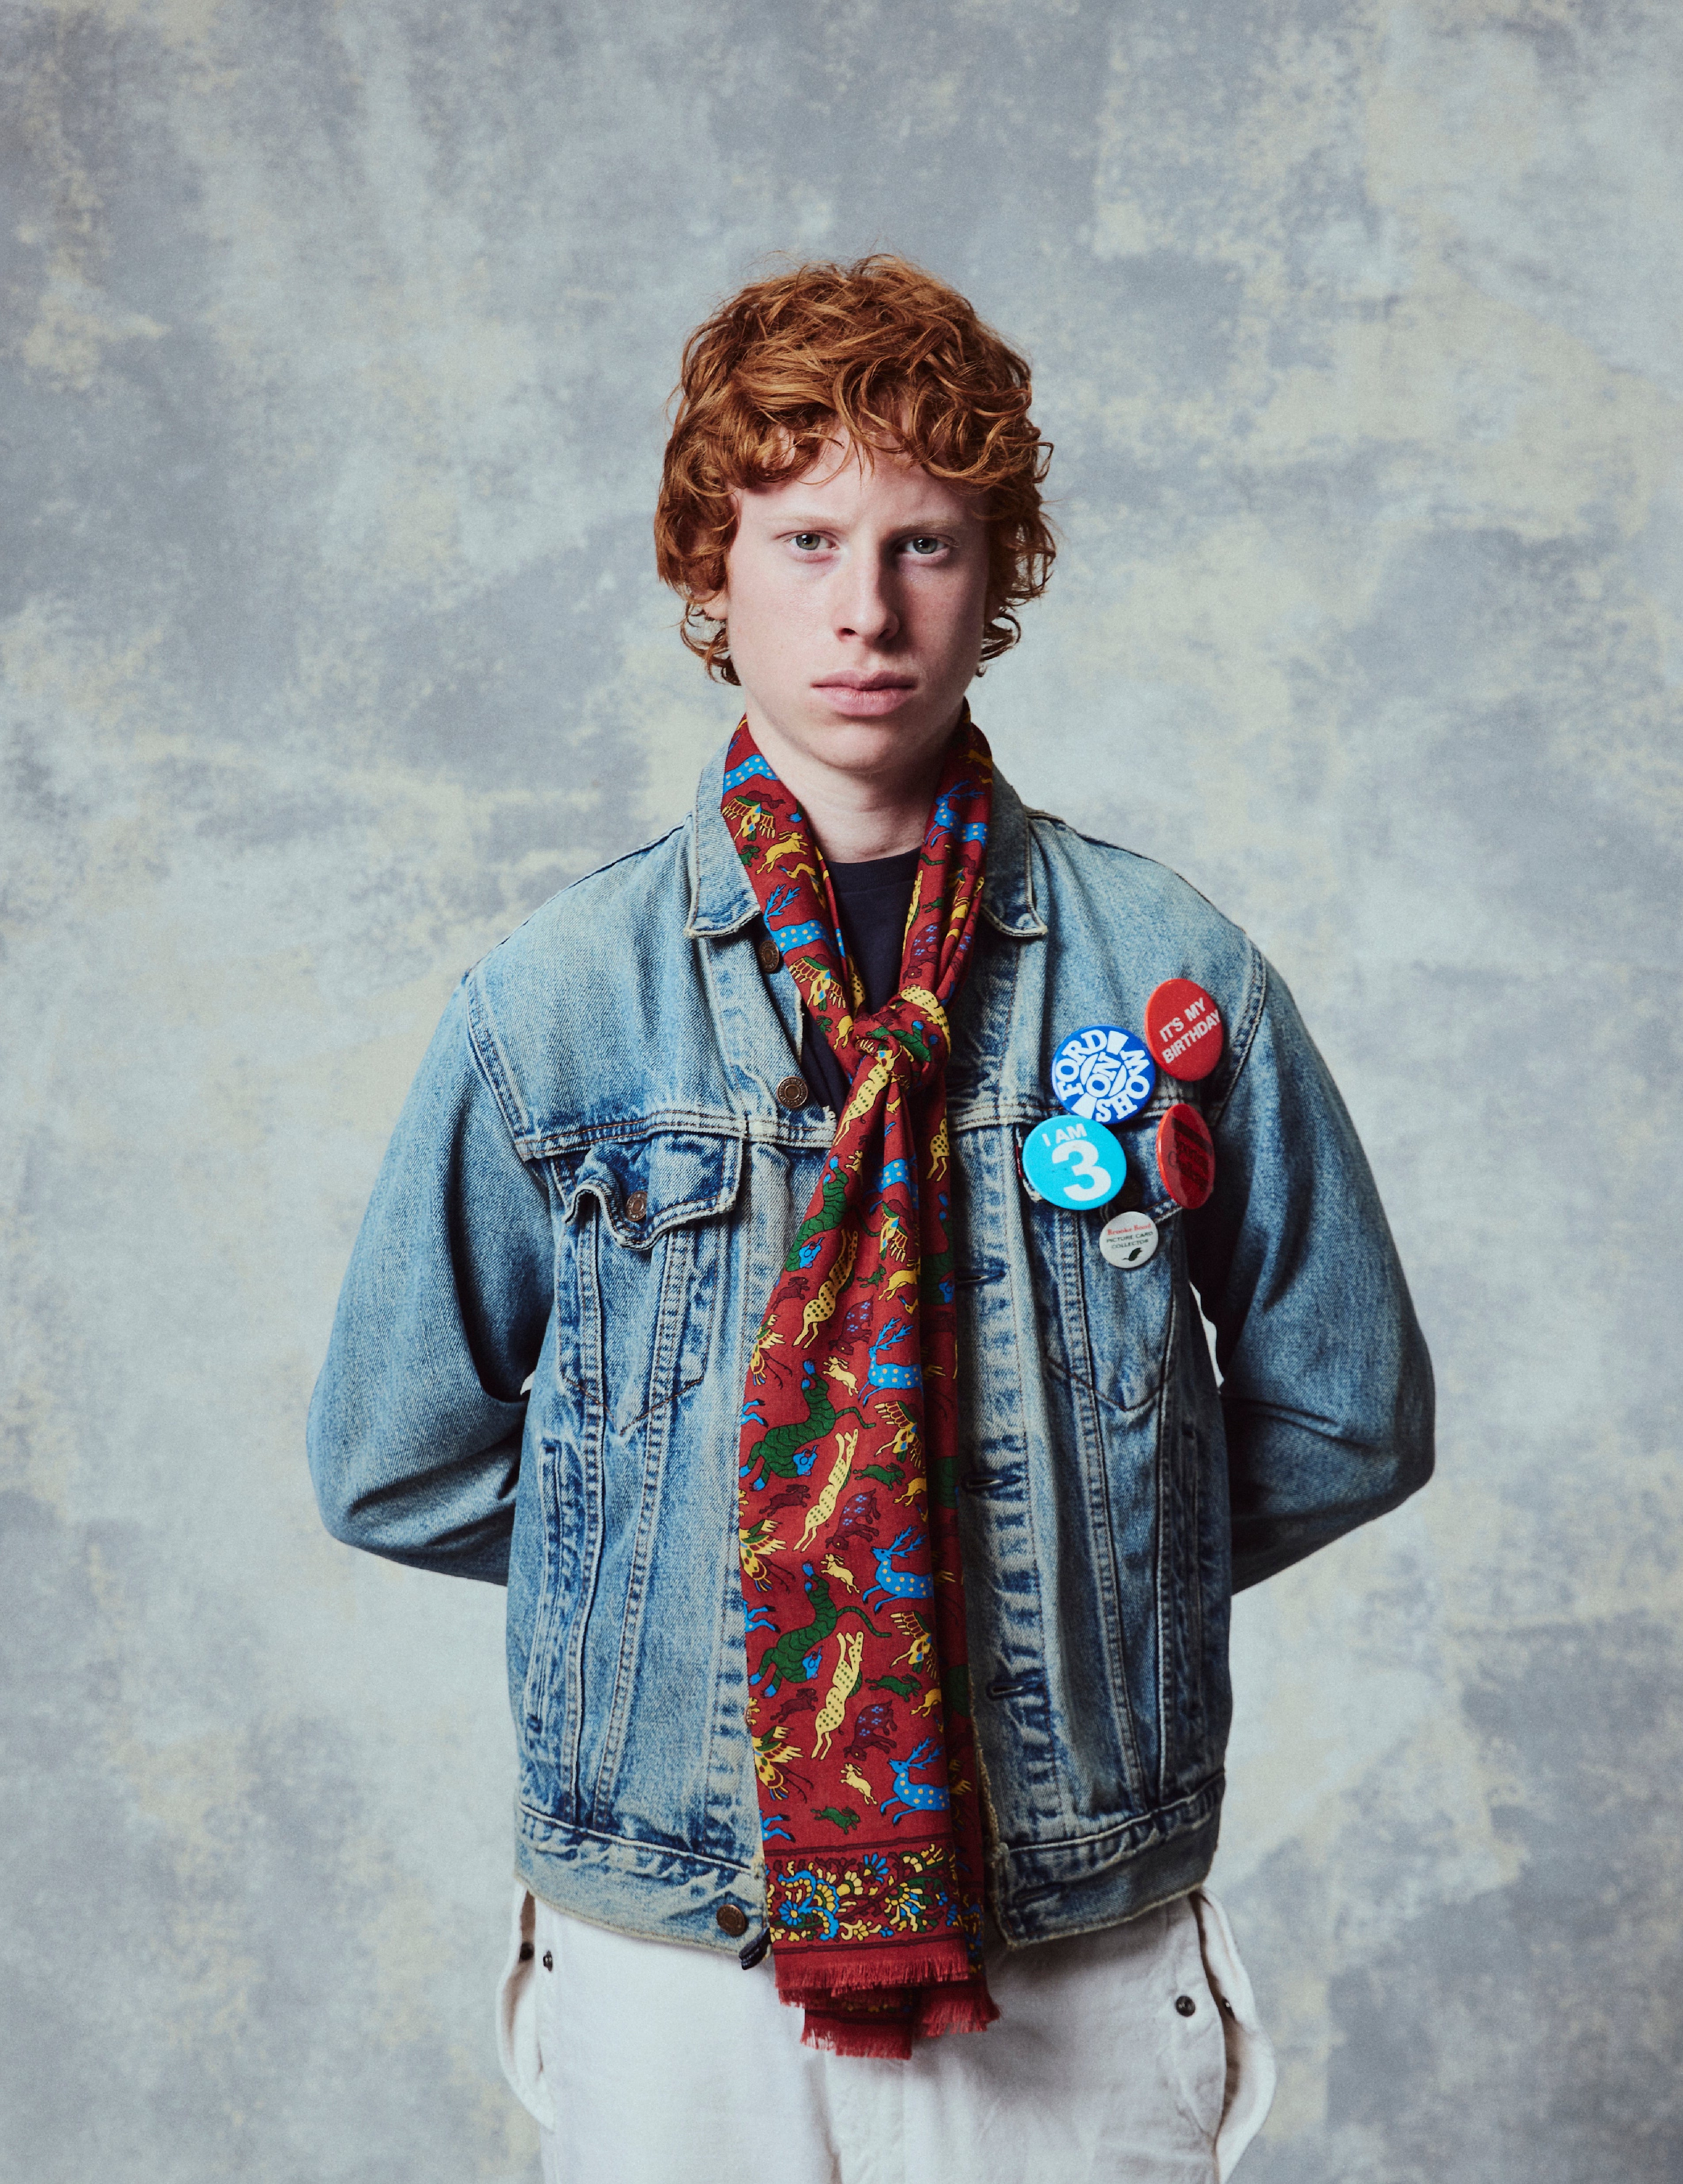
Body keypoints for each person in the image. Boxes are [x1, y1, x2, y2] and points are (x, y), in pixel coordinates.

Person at [307, 254, 1434, 2183]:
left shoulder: (1173, 981)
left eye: (925, 542)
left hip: (1067, 1925)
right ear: (708, 569)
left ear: (998, 579)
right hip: (674, 1932)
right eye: (804, 535)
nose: (863, 606)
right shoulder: (557, 1002)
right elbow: (391, 1455)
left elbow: (1348, 1409)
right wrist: (747, 1581)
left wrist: (1049, 1589)